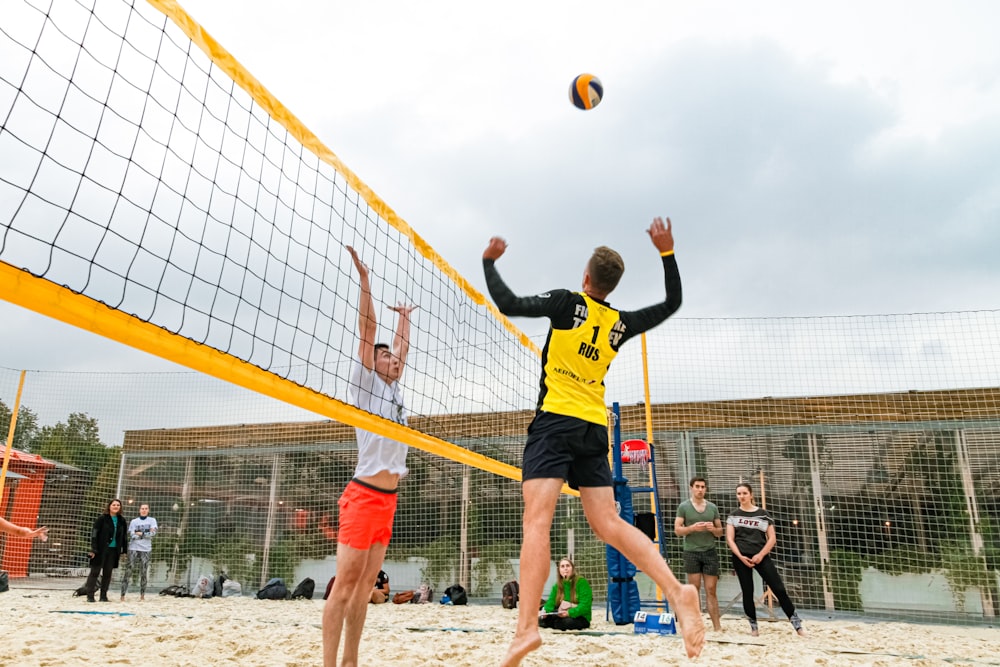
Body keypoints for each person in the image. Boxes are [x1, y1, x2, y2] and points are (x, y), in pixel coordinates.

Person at [482, 217, 704, 664]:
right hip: (593, 428)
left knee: (537, 523)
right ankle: (678, 591)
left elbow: (507, 302)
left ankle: (526, 629)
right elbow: (672, 301)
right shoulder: (619, 323)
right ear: (612, 285)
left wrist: (489, 262)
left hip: (556, 423)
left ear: (586, 278)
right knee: (610, 524)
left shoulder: (567, 302)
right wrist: (667, 252)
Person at [322, 246, 417, 667]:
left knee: (364, 589)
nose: (392, 359)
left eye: (393, 357)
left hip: (388, 502)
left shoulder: (394, 390)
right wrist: (365, 281)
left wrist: (406, 319)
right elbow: (367, 328)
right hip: (362, 496)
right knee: (344, 587)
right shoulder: (365, 385)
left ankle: (350, 662)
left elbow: (401, 348)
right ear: (372, 361)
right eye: (385, 355)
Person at [725, 482, 806, 637]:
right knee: (747, 592)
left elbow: (772, 538)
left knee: (779, 589)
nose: (741, 496)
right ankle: (754, 628)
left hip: (761, 556)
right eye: (739, 493)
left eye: (744, 493)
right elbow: (730, 539)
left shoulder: (763, 514)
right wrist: (740, 557)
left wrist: (761, 555)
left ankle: (797, 625)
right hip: (741, 557)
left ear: (751, 494)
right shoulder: (733, 515)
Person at [674, 476, 724, 631]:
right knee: (694, 590)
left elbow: (720, 532)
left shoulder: (712, 507)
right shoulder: (684, 507)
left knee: (711, 590)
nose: (700, 489)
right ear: (691, 488)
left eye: (703, 487)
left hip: (709, 551)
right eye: (697, 486)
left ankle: (717, 627)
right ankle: (695, 625)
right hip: (691, 552)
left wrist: (712, 529)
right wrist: (692, 528)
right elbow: (677, 530)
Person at [83, 498, 128, 603]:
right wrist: (94, 549)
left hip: (113, 551)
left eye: (118, 505)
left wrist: (124, 550)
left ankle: (103, 596)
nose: (116, 507)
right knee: (95, 572)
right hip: (100, 549)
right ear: (109, 506)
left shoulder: (122, 520)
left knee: (108, 574)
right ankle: (90, 595)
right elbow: (95, 534)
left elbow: (124, 536)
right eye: (114, 505)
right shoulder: (102, 519)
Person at [538, 557, 592, 631]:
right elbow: (551, 601)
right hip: (562, 614)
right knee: (541, 620)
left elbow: (585, 606)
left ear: (572, 568)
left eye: (568, 566)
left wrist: (569, 613)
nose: (565, 568)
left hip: (580, 616)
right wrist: (545, 611)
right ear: (559, 570)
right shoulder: (557, 585)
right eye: (562, 566)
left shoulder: (582, 582)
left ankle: (557, 623)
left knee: (564, 623)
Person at [120, 503, 157, 601]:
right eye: (142, 508)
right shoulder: (134, 521)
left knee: (144, 572)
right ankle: (123, 595)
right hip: (133, 548)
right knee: (129, 570)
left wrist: (141, 533)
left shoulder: (152, 520)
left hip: (146, 549)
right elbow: (132, 535)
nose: (144, 510)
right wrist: (145, 533)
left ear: (148, 510)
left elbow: (152, 533)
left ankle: (142, 595)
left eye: (146, 508)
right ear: (139, 510)